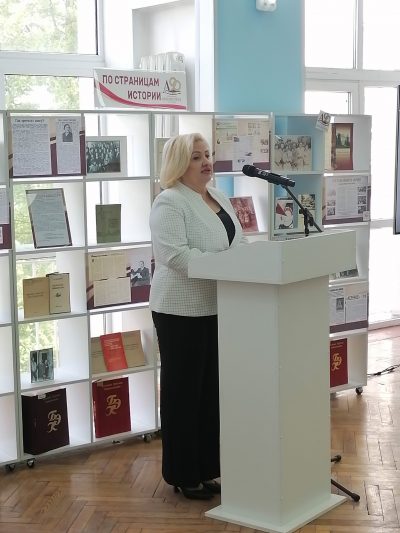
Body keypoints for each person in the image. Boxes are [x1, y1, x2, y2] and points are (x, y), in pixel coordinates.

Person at [149, 133, 247, 500]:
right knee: (184, 393)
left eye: (207, 155)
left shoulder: (218, 196)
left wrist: (245, 262)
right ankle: (182, 473)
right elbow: (175, 255)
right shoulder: (169, 201)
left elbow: (239, 242)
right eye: (196, 157)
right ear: (178, 164)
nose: (206, 162)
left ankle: (206, 468)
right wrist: (226, 267)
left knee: (210, 394)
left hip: (218, 306)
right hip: (179, 310)